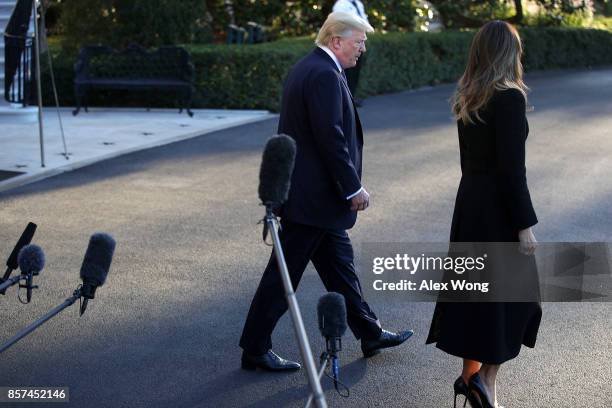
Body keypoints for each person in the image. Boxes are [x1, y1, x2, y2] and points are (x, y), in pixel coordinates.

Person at [239, 11, 413, 372]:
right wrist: (353, 188)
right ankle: (255, 347)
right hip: (315, 200)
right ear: (337, 41)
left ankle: (369, 331)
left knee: (340, 269)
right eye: (358, 42)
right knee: (282, 277)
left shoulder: (312, 67)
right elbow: (330, 138)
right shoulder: (322, 73)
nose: (362, 49)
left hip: (314, 199)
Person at [425, 21, 542, 408]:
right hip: (497, 212)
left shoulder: (469, 94)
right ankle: (486, 383)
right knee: (514, 301)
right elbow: (513, 171)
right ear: (509, 54)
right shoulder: (508, 98)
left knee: (478, 296)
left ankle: (469, 378)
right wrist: (525, 226)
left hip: (471, 205)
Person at [332, 0, 368, 106]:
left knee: (355, 72)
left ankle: (351, 96)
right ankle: (343, 99)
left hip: (358, 41)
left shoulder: (358, 3)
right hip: (348, 42)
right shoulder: (341, 4)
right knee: (346, 72)